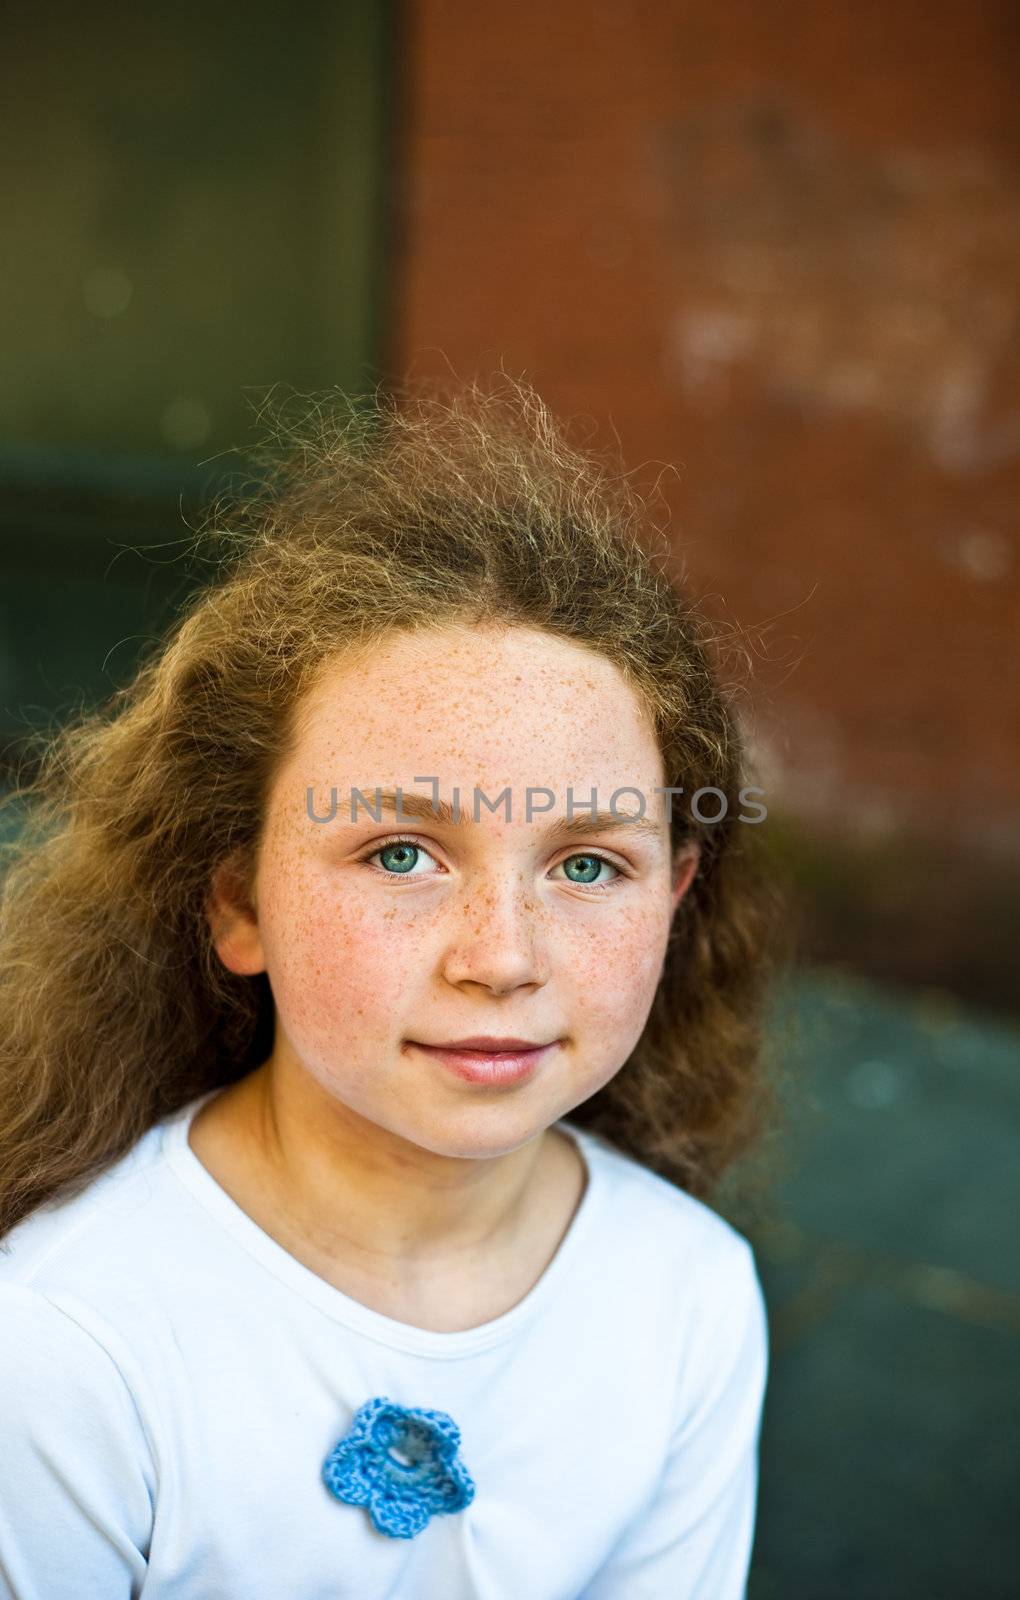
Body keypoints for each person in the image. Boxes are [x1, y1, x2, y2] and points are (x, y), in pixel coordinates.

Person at [0, 378, 787, 1599]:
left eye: (587, 862)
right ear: (238, 903)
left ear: (676, 896)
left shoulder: (688, 1294)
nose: (503, 953)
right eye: (400, 853)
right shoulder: (62, 1347)